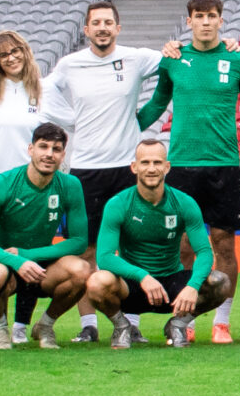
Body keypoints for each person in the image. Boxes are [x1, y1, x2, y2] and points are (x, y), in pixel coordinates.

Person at [139, 0, 240, 343]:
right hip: (182, 166)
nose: (206, 22)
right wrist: (122, 128)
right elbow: (156, 104)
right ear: (189, 21)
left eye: (212, 16)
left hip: (224, 166)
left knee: (224, 244)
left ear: (221, 20)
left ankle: (222, 322)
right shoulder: (173, 60)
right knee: (184, 247)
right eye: (199, 16)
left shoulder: (239, 60)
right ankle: (185, 320)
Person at [38, 0, 162, 272]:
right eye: (96, 23)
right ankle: (89, 304)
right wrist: (71, 121)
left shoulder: (136, 58)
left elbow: (177, 63)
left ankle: (131, 302)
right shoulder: (70, 64)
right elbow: (43, 89)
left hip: (127, 166)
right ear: (86, 30)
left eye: (108, 22)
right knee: (86, 249)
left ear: (118, 28)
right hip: (86, 167)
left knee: (132, 245)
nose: (102, 28)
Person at [0, 120, 91, 348]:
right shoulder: (1, 183)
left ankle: (45, 325)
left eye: (56, 149)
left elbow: (79, 242)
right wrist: (16, 260)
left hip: (41, 267)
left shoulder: (70, 185)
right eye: (43, 147)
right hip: (5, 262)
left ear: (63, 155)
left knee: (81, 270)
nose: (49, 154)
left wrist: (28, 254)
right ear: (31, 149)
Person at [85, 137, 218, 349]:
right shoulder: (118, 204)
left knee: (220, 282)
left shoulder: (184, 203)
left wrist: (192, 286)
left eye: (157, 162)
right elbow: (105, 257)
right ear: (134, 167)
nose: (151, 168)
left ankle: (177, 324)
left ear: (167, 167)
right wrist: (142, 276)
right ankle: (122, 326)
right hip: (132, 286)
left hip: (171, 285)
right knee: (96, 282)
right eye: (145, 162)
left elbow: (204, 252)